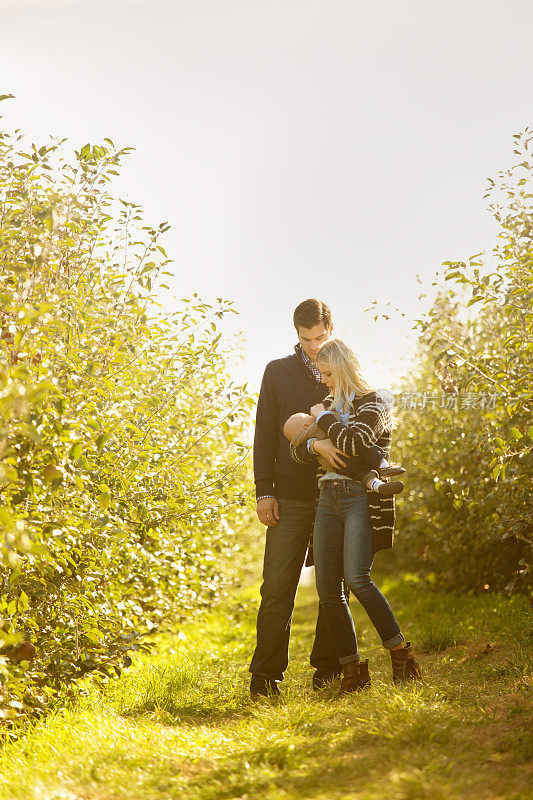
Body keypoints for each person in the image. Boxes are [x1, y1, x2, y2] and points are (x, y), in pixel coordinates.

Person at [290, 338, 422, 694]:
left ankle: (401, 654)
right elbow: (297, 451)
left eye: (330, 374)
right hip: (327, 499)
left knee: (358, 579)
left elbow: (353, 443)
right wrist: (315, 444)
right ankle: (353, 671)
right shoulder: (327, 406)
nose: (325, 381)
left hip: (359, 499)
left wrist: (325, 421)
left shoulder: (375, 401)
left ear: (345, 370)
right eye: (322, 374)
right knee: (328, 589)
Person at [249, 299, 350, 698]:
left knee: (332, 586)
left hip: (337, 493)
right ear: (296, 334)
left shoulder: (345, 371)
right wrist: (264, 491)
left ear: (331, 328)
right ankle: (265, 677)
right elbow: (264, 435)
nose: (312, 346)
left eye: (320, 337)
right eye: (305, 338)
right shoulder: (277, 372)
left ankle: (327, 671)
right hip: (288, 496)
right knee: (276, 587)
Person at [283, 410, 405, 495]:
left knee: (361, 474)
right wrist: (322, 414)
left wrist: (313, 445)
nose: (310, 415)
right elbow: (333, 418)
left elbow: (295, 448)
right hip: (348, 449)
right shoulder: (316, 425)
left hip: (338, 464)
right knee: (368, 449)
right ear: (306, 425)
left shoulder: (300, 440)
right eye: (306, 415)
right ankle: (383, 467)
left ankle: (377, 485)